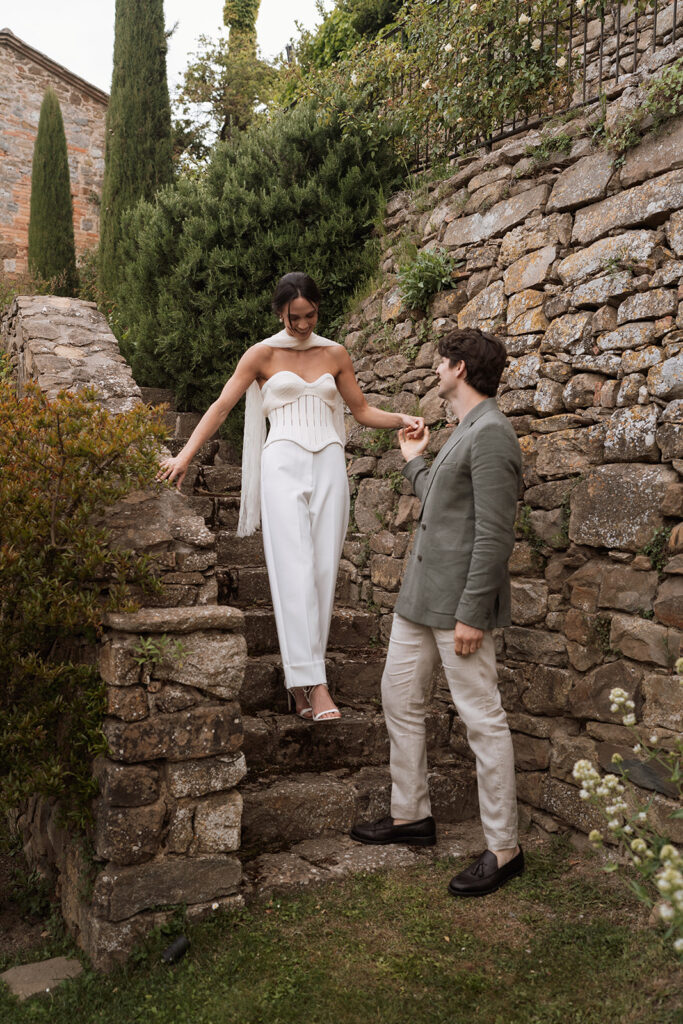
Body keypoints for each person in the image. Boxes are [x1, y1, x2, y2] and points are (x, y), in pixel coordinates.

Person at [158, 272, 424, 723]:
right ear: (279, 312)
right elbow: (222, 405)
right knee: (293, 571)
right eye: (293, 317)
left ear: (318, 309)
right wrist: (185, 455)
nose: (302, 324)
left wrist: (403, 417)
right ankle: (316, 686)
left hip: (329, 465)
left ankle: (300, 685)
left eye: (310, 315)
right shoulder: (261, 354)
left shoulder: (335, 353)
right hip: (281, 464)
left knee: (322, 572)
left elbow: (359, 410)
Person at [350, 327, 525, 897]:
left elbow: (495, 536)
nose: (434, 368)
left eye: (441, 361)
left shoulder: (494, 433)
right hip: (419, 599)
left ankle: (504, 848)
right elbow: (443, 506)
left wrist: (474, 612)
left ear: (461, 369)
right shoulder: (461, 429)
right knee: (398, 699)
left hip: (459, 608)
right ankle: (411, 817)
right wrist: (414, 461)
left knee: (482, 720)